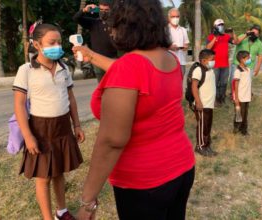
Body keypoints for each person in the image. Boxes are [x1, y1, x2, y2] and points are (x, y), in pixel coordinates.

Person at [72, 1, 195, 219]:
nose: (110, 29)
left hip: (145, 183)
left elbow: (112, 140)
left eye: (113, 23)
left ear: (124, 25)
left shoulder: (128, 68)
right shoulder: (169, 58)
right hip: (181, 167)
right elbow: (133, 71)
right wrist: (90, 55)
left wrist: (87, 201)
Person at [13, 24, 85, 220]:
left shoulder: (63, 68)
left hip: (62, 128)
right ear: (37, 44)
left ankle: (61, 211)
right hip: (40, 130)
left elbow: (71, 99)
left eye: (59, 42)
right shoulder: (26, 70)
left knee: (59, 172)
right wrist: (28, 136)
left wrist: (76, 125)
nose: (57, 46)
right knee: (43, 177)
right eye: (51, 42)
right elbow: (19, 105)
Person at [73, 0, 117, 82]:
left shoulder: (116, 23)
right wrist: (84, 10)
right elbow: (76, 18)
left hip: (113, 59)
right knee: (101, 85)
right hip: (97, 59)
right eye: (101, 10)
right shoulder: (93, 22)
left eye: (106, 10)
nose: (103, 12)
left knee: (115, 83)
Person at [191, 49, 217, 157]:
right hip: (202, 104)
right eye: (212, 59)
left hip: (209, 104)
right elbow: (194, 87)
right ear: (204, 60)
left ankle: (206, 145)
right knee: (202, 127)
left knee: (207, 126)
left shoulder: (210, 70)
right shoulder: (198, 70)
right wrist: (198, 102)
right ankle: (200, 146)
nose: (213, 61)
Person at [206, 19, 236, 106]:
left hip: (225, 64)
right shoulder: (211, 36)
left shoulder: (226, 36)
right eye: (219, 25)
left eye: (222, 24)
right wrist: (215, 37)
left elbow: (235, 41)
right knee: (215, 83)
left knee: (223, 83)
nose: (221, 26)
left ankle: (222, 98)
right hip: (215, 65)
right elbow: (208, 48)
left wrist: (233, 32)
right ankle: (215, 99)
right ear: (215, 27)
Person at [232, 50, 252, 136]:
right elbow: (235, 85)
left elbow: (248, 83)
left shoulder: (248, 69)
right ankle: (237, 128)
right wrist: (236, 98)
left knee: (245, 114)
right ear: (241, 59)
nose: (249, 60)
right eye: (248, 58)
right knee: (240, 114)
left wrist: (251, 93)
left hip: (247, 96)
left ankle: (244, 130)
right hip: (240, 97)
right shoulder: (238, 71)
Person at [168, 8, 190, 76]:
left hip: (181, 61)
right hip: (169, 62)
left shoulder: (183, 30)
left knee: (180, 83)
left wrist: (185, 47)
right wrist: (169, 47)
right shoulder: (164, 30)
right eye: (173, 16)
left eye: (177, 16)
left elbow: (186, 44)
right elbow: (160, 46)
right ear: (169, 17)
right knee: (169, 83)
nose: (175, 18)